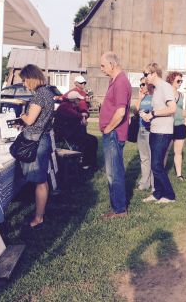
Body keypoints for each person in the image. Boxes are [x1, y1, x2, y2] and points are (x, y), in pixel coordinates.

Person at [18, 64, 55, 230]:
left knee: (40, 181)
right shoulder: (48, 93)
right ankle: (40, 214)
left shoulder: (39, 95)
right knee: (42, 180)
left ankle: (38, 218)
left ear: (31, 78)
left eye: (25, 80)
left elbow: (30, 120)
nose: (24, 83)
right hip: (43, 138)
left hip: (36, 140)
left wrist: (22, 116)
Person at [99, 51, 132, 219]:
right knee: (112, 172)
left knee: (114, 173)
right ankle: (117, 207)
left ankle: (119, 210)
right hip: (111, 133)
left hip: (113, 134)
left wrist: (108, 128)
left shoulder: (120, 82)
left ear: (113, 64)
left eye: (103, 66)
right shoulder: (115, 81)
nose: (101, 69)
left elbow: (120, 112)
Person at [141, 63, 177, 203]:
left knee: (156, 165)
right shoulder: (156, 89)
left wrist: (153, 113)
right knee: (155, 164)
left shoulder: (165, 87)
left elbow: (172, 108)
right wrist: (149, 115)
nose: (144, 78)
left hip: (163, 132)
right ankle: (158, 193)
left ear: (154, 73)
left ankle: (169, 195)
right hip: (155, 130)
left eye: (146, 74)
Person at [53, 90, 98, 170]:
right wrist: (82, 116)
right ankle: (85, 164)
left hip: (71, 132)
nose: (80, 101)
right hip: (64, 134)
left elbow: (80, 114)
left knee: (93, 139)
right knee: (88, 141)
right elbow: (73, 114)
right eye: (79, 99)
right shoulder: (65, 106)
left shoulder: (72, 106)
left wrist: (83, 118)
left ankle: (90, 163)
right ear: (74, 100)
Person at [165, 71, 186, 181]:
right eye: (178, 81)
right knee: (165, 151)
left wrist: (185, 123)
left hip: (180, 125)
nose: (180, 83)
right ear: (171, 80)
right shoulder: (165, 93)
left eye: (181, 81)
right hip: (168, 126)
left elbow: (182, 110)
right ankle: (162, 173)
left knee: (178, 152)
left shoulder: (181, 95)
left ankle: (179, 174)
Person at [133, 77, 154, 190]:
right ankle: (144, 181)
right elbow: (135, 112)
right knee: (144, 157)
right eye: (140, 85)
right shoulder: (142, 97)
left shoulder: (153, 97)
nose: (141, 87)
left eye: (143, 84)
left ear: (149, 85)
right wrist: (139, 99)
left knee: (151, 156)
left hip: (150, 129)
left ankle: (153, 181)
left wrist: (149, 114)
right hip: (140, 129)